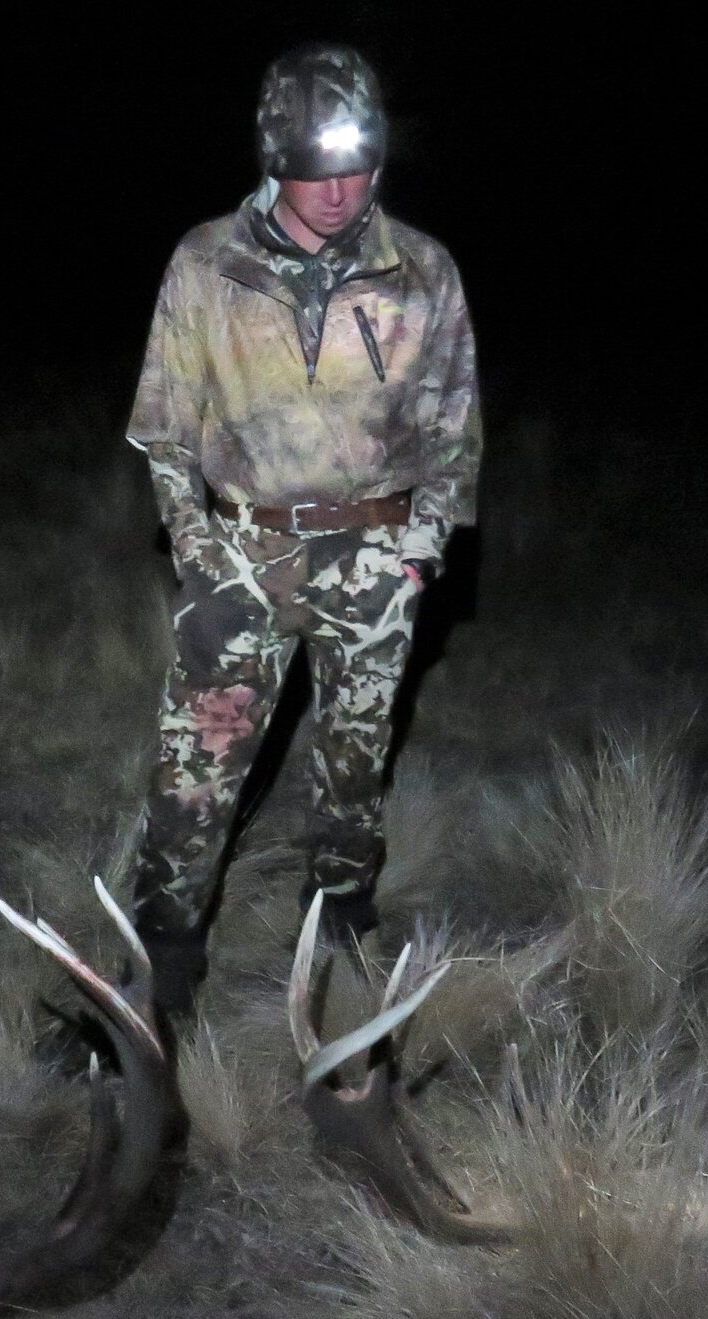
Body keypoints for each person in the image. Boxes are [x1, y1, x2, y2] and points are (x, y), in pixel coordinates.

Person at [124, 42, 482, 1022]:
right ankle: (161, 957)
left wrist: (420, 556)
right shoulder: (207, 264)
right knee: (197, 765)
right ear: (273, 153)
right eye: (314, 166)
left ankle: (338, 920)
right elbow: (162, 436)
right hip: (241, 553)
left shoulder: (422, 272)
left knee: (356, 758)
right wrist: (203, 555)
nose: (338, 190)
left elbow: (455, 431)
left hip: (375, 559)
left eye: (356, 164)